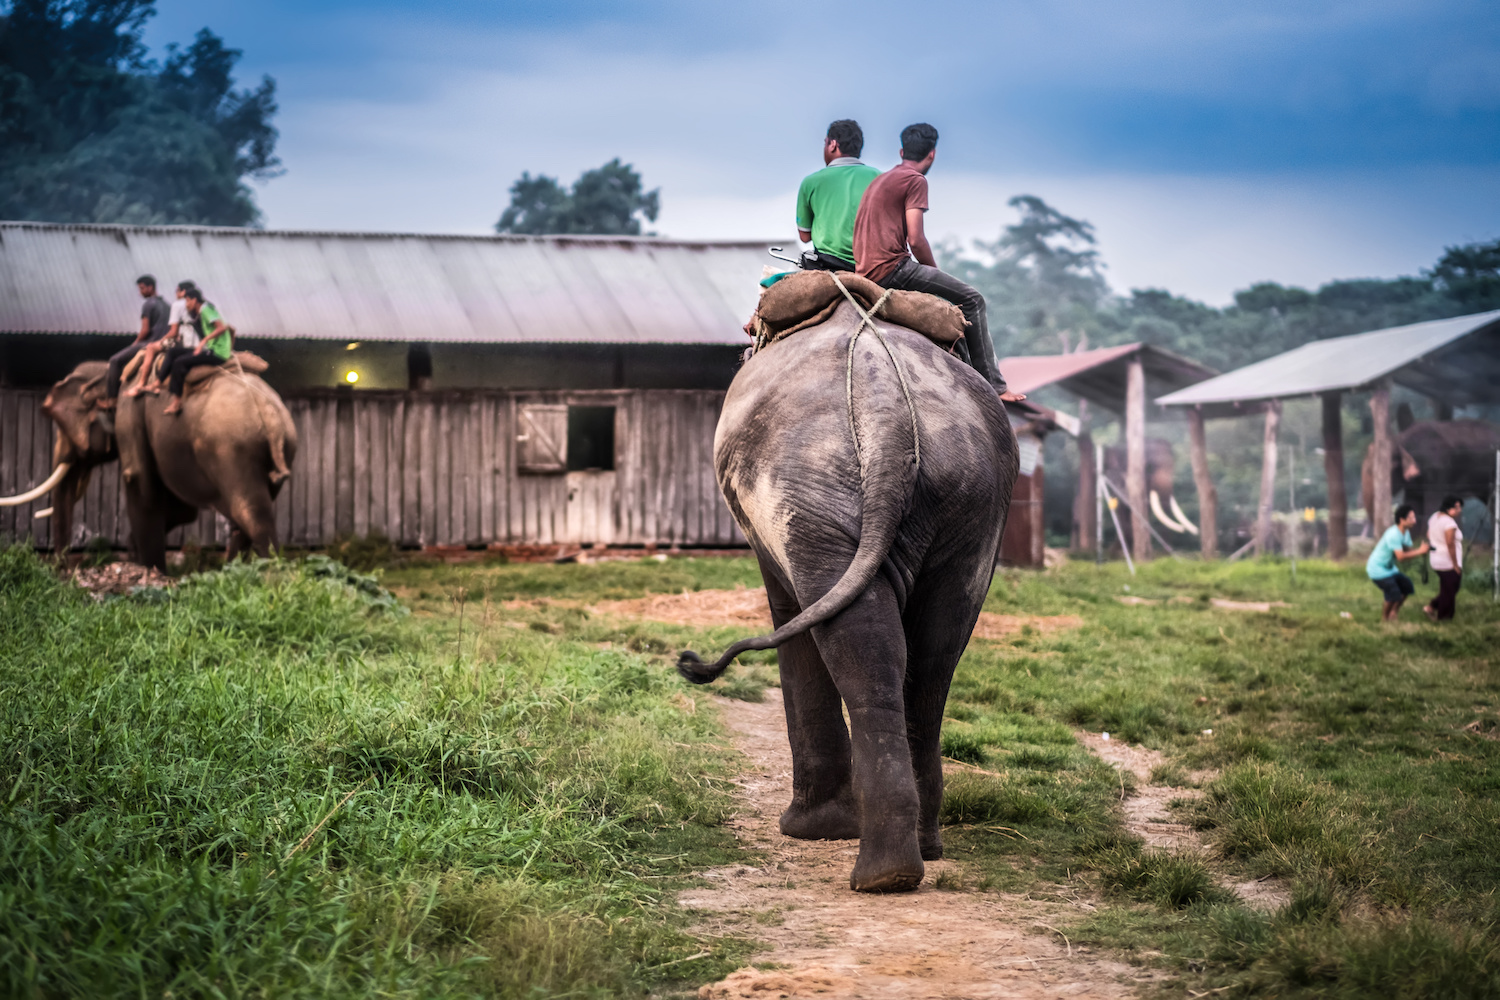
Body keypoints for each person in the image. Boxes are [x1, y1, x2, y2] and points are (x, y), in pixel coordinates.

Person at [852, 123, 1024, 402]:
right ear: (931, 154)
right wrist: (933, 273)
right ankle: (995, 386)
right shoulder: (915, 180)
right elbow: (917, 238)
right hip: (892, 269)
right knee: (972, 299)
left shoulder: (881, 179)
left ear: (901, 151)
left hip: (864, 271)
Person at [794, 120, 878, 272]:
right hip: (873, 267)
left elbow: (804, 236)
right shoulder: (881, 178)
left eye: (825, 143)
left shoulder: (811, 182)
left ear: (833, 144)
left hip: (828, 266)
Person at [100, 275, 170, 408]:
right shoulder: (167, 305)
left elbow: (145, 330)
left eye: (142, 288)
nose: (140, 292)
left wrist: (135, 343)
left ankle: (111, 400)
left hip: (149, 342)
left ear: (150, 287)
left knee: (115, 360)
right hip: (163, 344)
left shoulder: (149, 304)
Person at [161, 288, 233, 416]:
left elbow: (221, 327)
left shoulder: (205, 309)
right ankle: (158, 382)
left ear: (194, 300)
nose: (186, 304)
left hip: (217, 352)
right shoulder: (202, 311)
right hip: (212, 348)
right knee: (174, 352)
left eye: (188, 301)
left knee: (179, 363)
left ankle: (176, 402)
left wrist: (203, 341)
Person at [128, 280, 198, 398]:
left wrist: (160, 340)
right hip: (199, 342)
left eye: (177, 291)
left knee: (151, 347)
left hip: (184, 341)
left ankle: (141, 383)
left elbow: (174, 332)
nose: (176, 294)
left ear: (183, 292)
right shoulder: (200, 303)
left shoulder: (178, 304)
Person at [1366, 504, 1428, 623]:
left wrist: (1422, 551)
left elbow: (1409, 551)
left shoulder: (1405, 532)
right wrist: (1419, 552)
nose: (1414, 521)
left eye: (1414, 518)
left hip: (1390, 569)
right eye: (1411, 518)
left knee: (1407, 586)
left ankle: (1393, 613)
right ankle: (1384, 620)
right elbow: (1401, 557)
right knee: (1394, 592)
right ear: (1402, 520)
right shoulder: (1393, 534)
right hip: (1377, 569)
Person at [1422, 496, 1465, 622]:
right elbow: (1450, 543)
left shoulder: (1435, 516)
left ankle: (1432, 606)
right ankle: (1444, 619)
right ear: (1449, 508)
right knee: (1450, 589)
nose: (1459, 510)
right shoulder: (1449, 523)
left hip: (1435, 559)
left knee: (1449, 588)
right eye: (1457, 507)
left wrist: (1436, 541)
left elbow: (1428, 534)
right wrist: (1455, 564)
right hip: (1447, 562)